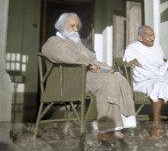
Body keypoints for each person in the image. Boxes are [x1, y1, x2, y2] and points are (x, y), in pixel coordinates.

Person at [42, 12, 136, 140]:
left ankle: (120, 124)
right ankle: (106, 129)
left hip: (86, 77)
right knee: (107, 81)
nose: (76, 30)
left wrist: (107, 69)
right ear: (61, 27)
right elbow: (69, 56)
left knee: (118, 77)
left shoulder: (77, 44)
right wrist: (88, 64)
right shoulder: (53, 41)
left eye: (77, 26)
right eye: (72, 26)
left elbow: (93, 60)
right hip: (68, 81)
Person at [123, 25, 168, 139]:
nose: (152, 38)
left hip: (157, 77)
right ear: (140, 38)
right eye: (149, 35)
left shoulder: (157, 47)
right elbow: (127, 61)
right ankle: (156, 125)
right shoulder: (132, 48)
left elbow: (160, 63)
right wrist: (131, 61)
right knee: (159, 86)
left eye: (153, 35)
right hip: (142, 80)